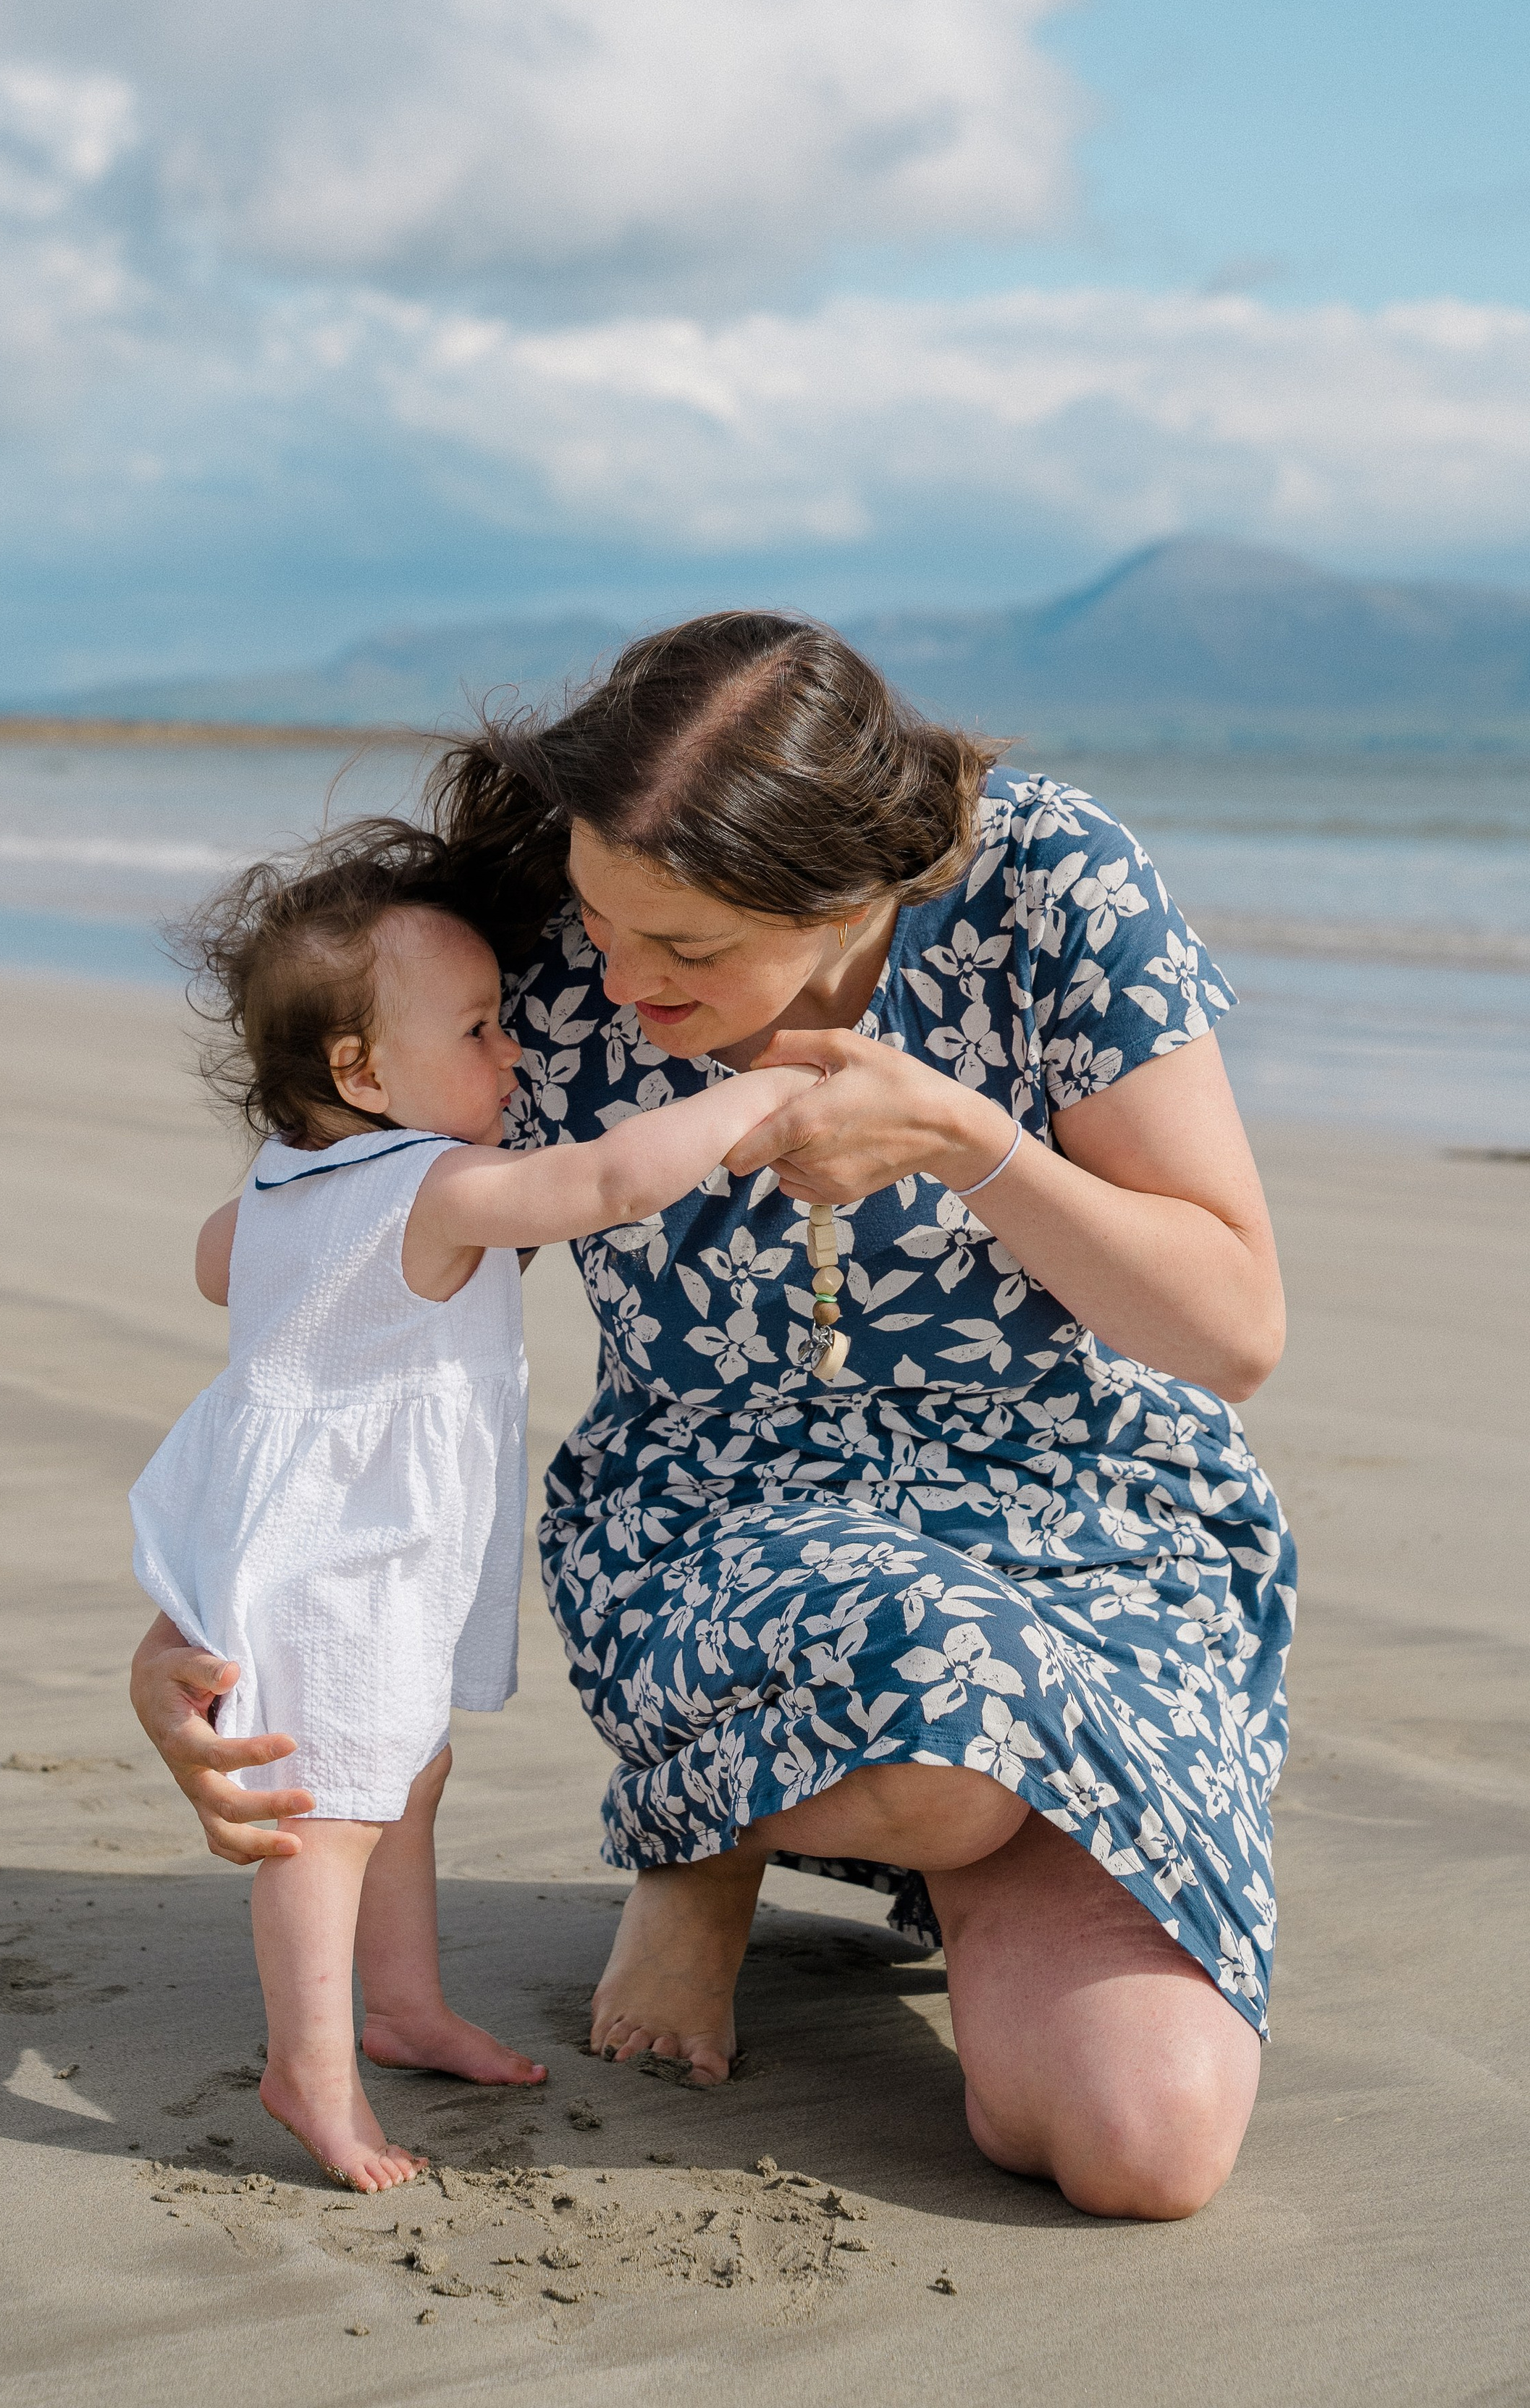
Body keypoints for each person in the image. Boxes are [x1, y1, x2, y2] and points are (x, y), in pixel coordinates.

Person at [131, 613, 1294, 2222]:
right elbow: (322, 1284)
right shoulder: (525, 943)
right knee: (934, 1689)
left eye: (682, 946)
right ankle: (707, 1846)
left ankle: (893, 1822)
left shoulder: (1050, 885)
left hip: (1086, 1518)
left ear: (851, 892)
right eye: (601, 920)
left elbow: (1232, 1335)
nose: (615, 980)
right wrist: (201, 1616)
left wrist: (969, 1141)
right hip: (720, 1528)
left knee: (1143, 2147)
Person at [128, 822, 818, 2192]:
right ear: (361, 1073)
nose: (517, 1056)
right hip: (347, 1554)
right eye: (481, 1030)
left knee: (403, 1771)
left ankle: (403, 2008)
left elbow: (218, 1267)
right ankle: (310, 2071)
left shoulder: (280, 1184)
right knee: (327, 1814)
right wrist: (761, 1092)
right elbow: (607, 1182)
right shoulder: (434, 1185)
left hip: (310, 1529)